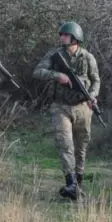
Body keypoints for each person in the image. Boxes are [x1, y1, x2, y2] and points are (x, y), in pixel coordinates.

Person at [32, 22, 100, 200]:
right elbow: (38, 72)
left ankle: (78, 184)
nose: (61, 37)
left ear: (75, 38)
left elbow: (96, 81)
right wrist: (57, 76)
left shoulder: (87, 58)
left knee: (81, 147)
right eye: (61, 35)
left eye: (65, 35)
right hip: (60, 106)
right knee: (65, 144)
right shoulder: (55, 55)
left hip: (83, 107)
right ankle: (70, 182)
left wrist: (92, 95)